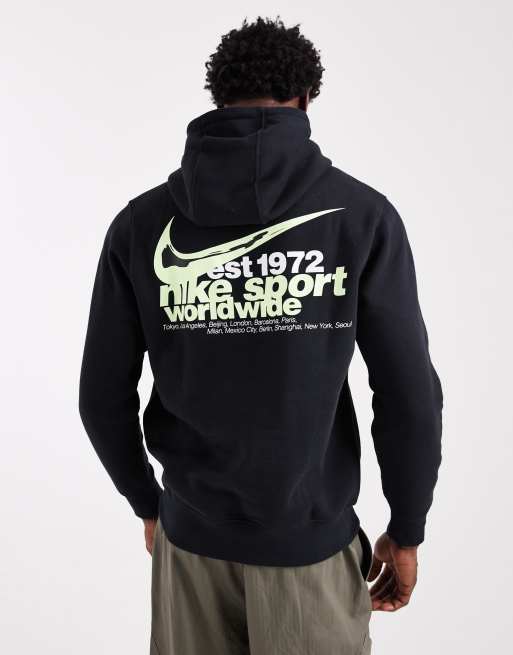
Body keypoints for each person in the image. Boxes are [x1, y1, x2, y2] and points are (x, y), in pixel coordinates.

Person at [79, 16, 443, 655]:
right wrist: (406, 528)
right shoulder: (361, 216)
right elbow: (409, 393)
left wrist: (149, 504)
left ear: (219, 97)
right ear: (305, 98)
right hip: (310, 549)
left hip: (189, 546)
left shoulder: (140, 225)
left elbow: (101, 397)